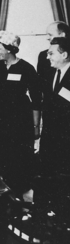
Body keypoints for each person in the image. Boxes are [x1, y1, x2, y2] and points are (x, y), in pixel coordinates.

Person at [0, 30, 41, 201]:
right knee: (3, 156)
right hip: (1, 121)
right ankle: (6, 194)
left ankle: (20, 194)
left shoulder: (26, 68)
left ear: (10, 49)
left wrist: (36, 127)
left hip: (21, 121)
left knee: (19, 158)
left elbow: (36, 100)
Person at [40, 37, 70, 176]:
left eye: (51, 53)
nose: (47, 57)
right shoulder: (50, 73)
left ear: (64, 55)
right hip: (50, 138)